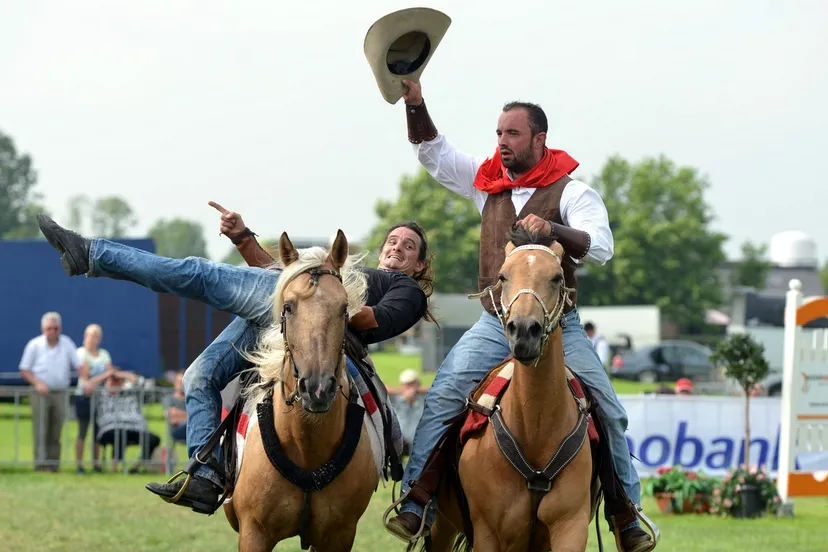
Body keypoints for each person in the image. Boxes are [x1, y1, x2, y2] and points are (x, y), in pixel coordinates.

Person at [383, 79, 656, 551]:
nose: (502, 143)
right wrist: (415, 104)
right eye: (498, 134)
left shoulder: (574, 192)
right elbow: (432, 153)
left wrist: (553, 228)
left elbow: (603, 248)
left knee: (609, 410)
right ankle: (417, 500)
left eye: (512, 134)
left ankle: (625, 514)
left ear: (539, 139)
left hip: (558, 327)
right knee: (445, 391)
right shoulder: (486, 182)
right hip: (494, 322)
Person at [36, 206, 435, 513]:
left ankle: (90, 254)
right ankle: (206, 476)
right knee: (199, 376)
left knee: (197, 274)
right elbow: (271, 276)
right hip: (286, 308)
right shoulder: (335, 271)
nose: (397, 246)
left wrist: (324, 298)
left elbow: (370, 318)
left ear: (419, 265)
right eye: (392, 240)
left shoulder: (404, 289)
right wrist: (244, 238)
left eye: (408, 245)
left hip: (311, 322)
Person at [19, 311, 82, 472]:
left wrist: (86, 377)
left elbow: (79, 365)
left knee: (57, 429)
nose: (52, 331)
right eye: (49, 328)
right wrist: (38, 383)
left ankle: (54, 464)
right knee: (40, 429)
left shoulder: (67, 343)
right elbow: (24, 369)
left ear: (59, 328)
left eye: (55, 328)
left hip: (61, 392)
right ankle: (40, 464)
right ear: (43, 329)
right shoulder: (34, 345)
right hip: (40, 392)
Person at [74, 323, 116, 473]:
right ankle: (79, 464)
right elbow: (86, 377)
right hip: (84, 397)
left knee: (98, 433)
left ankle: (96, 464)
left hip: (100, 397)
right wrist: (106, 374)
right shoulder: (80, 353)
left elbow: (111, 373)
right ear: (85, 337)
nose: (93, 339)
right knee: (83, 431)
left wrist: (106, 376)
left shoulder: (104, 354)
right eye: (91, 335)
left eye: (96, 336)